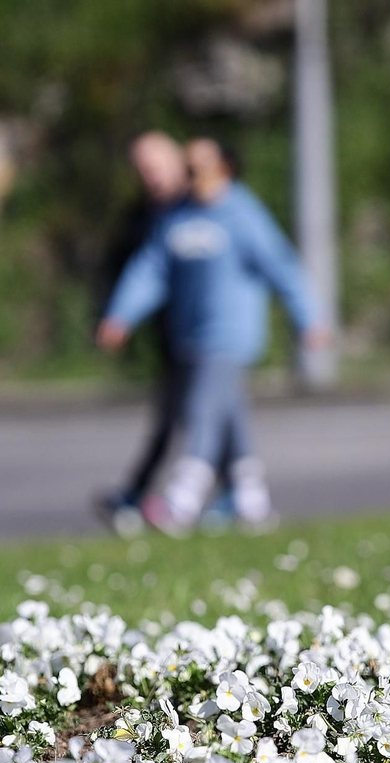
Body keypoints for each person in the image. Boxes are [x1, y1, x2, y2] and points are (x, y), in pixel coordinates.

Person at [98, 138, 329, 535]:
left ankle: (182, 502)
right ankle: (251, 502)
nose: (191, 176)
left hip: (230, 335)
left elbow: (281, 266)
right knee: (230, 417)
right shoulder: (177, 218)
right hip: (189, 335)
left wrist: (309, 318)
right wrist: (121, 314)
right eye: (187, 168)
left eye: (199, 168)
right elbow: (150, 270)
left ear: (224, 168)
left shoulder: (243, 214)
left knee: (202, 410)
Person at [93, 131, 191, 536]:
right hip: (171, 332)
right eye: (142, 170)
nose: (150, 177)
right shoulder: (143, 216)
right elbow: (138, 272)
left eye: (154, 167)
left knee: (206, 415)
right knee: (179, 415)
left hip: (209, 332)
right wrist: (118, 316)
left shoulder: (199, 207)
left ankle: (157, 495)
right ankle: (141, 493)